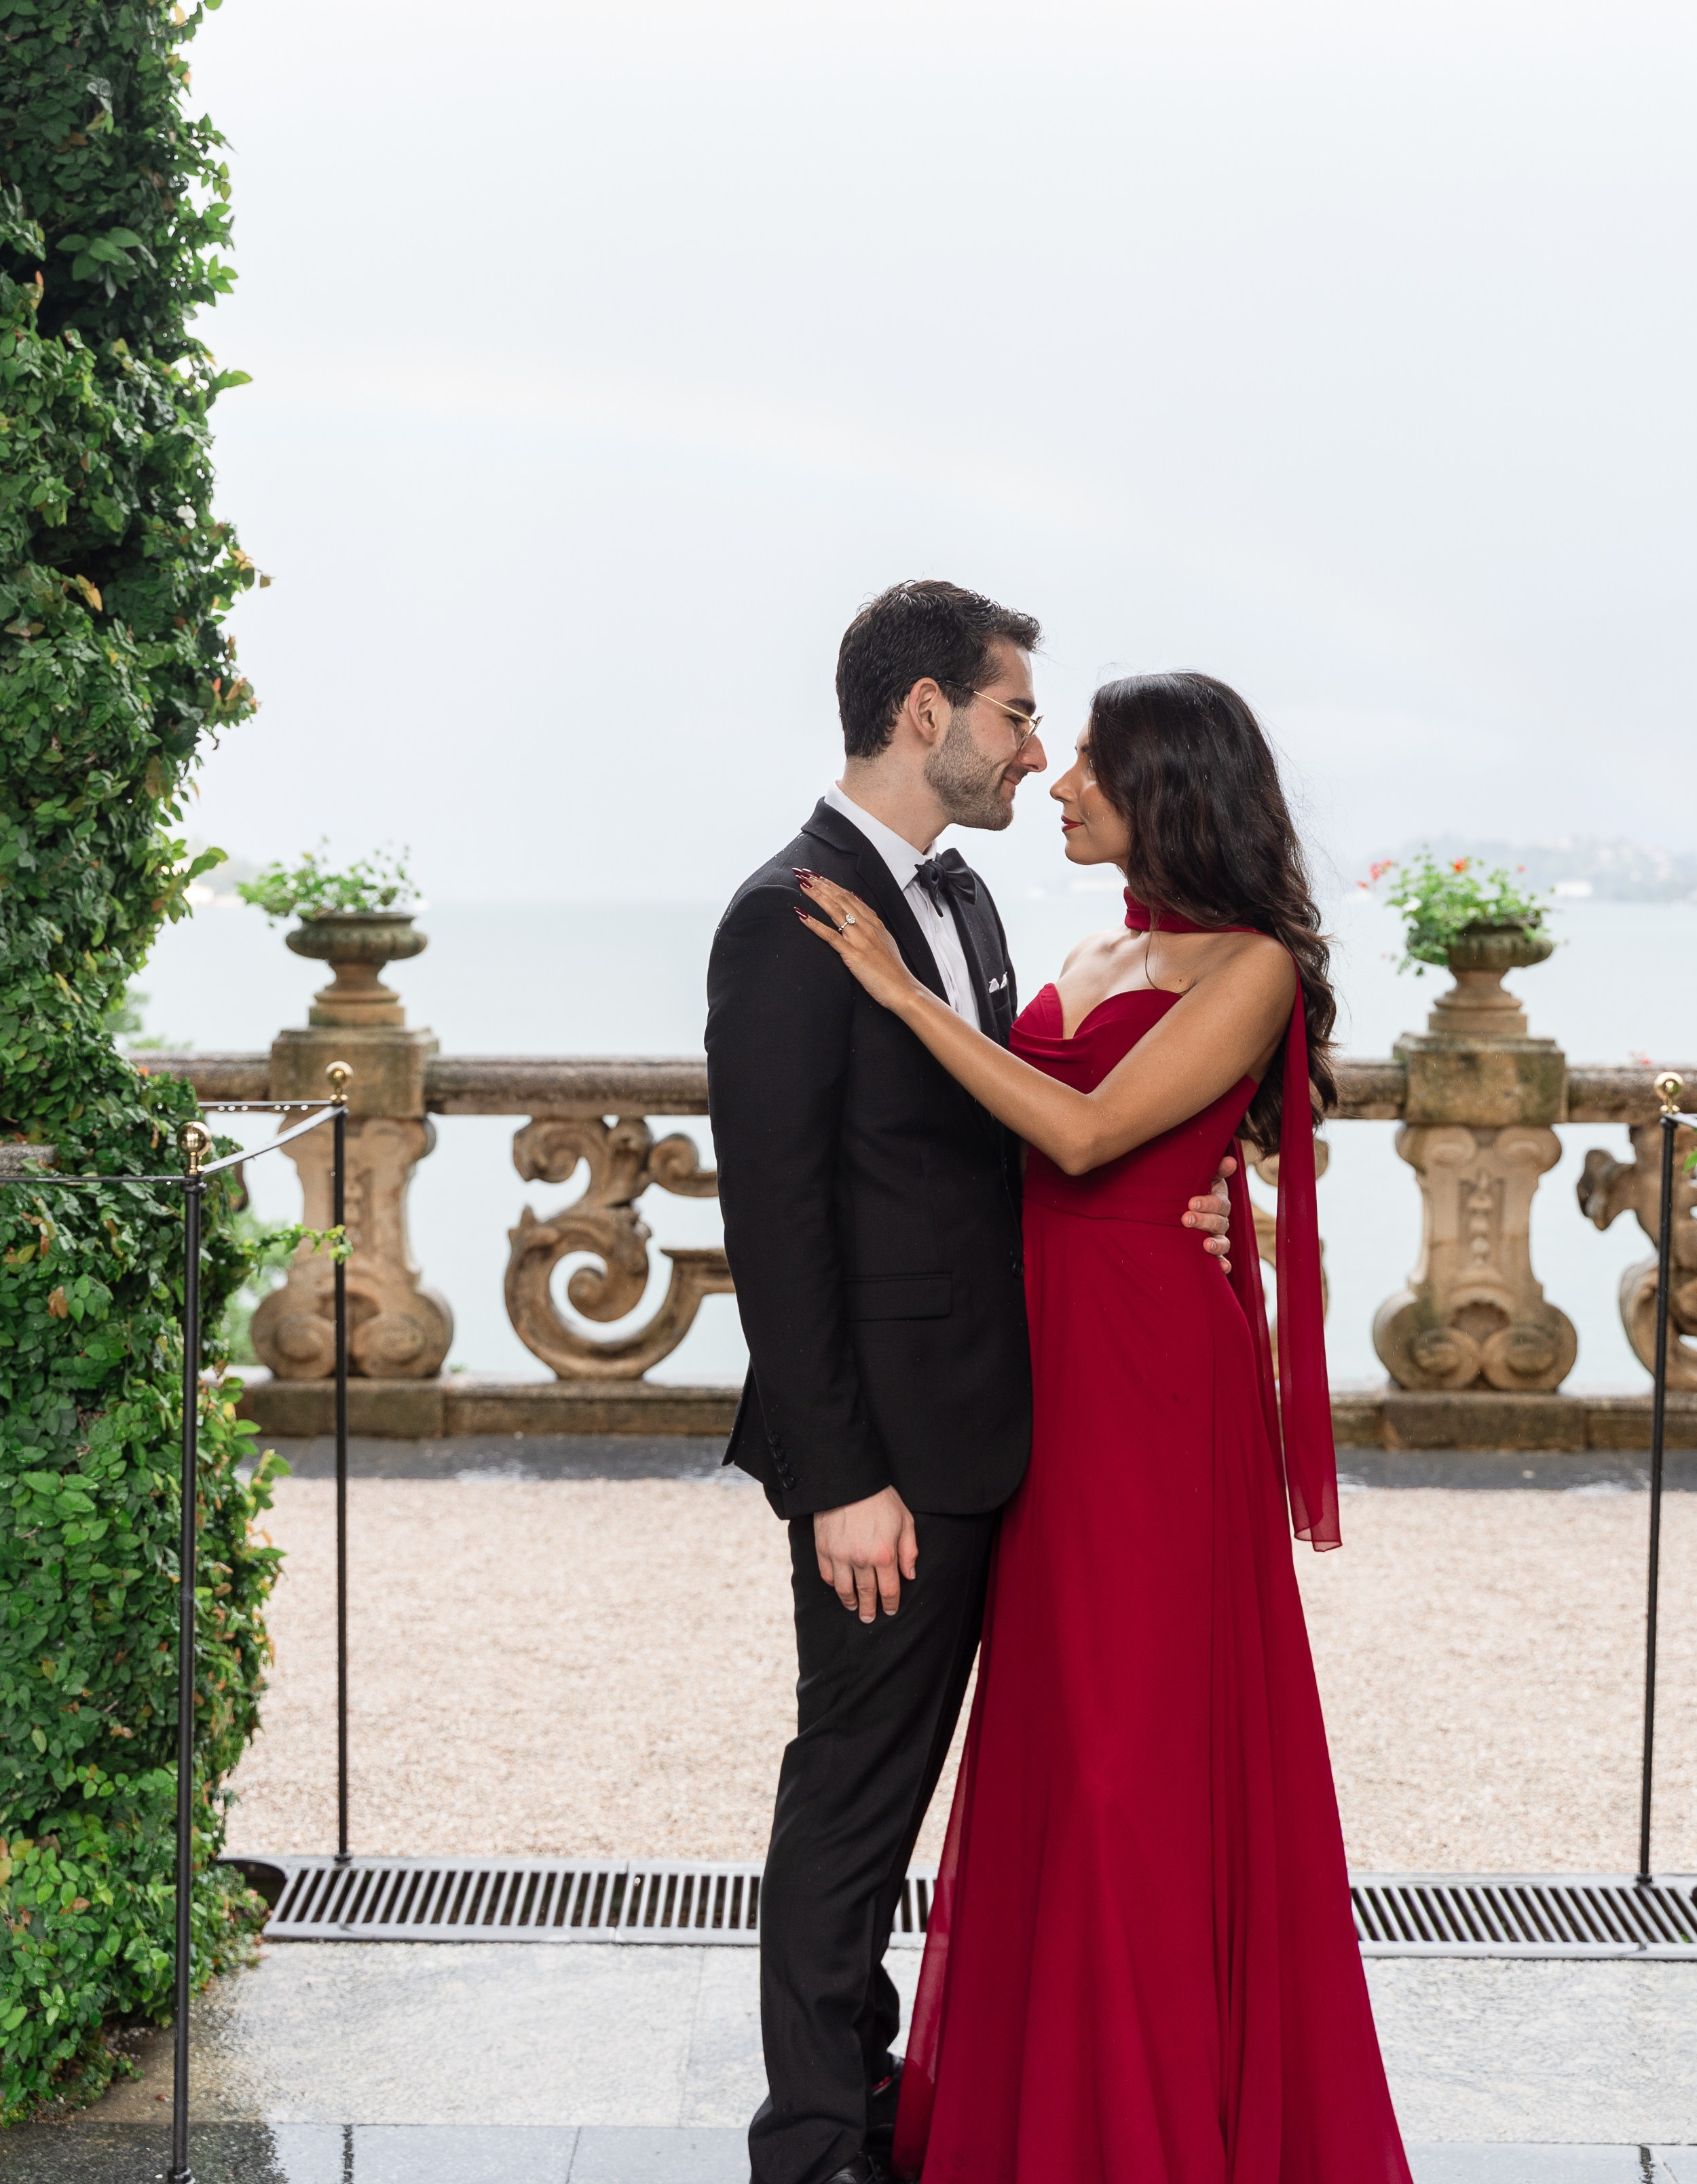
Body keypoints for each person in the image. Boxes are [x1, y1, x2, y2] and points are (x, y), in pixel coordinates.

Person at [794, 671, 1413, 2183]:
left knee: (1139, 1754)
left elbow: (1075, 1130)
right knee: (1063, 1745)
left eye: (1087, 764)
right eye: (1053, 750)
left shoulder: (1250, 966)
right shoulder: (1082, 944)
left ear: (1168, 788)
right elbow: (1005, 1158)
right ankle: (1058, 2109)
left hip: (1150, 1382)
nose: (1057, 783)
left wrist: (895, 992)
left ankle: (1147, 2129)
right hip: (1047, 1379)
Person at [705, 585, 1237, 2184]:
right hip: (892, 1461)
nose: (1029, 751)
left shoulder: (969, 910)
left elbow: (1020, 1140)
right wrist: (837, 1475)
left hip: (1026, 1433)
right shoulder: (787, 913)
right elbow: (777, 1225)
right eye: (1015, 714)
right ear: (925, 710)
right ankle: (813, 2147)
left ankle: (896, 2106)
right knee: (854, 1805)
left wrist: (1206, 1200)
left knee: (994, 1800)